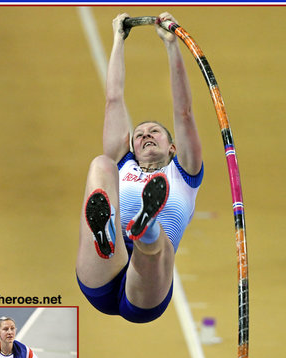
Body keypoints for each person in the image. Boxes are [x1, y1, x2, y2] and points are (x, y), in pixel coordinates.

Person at [76, 12, 203, 324]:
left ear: (173, 148)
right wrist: (119, 39)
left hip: (146, 292)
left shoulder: (184, 173)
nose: (146, 134)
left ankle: (146, 230)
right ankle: (107, 234)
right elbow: (114, 99)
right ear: (131, 146)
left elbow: (183, 112)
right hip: (104, 267)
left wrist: (172, 45)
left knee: (158, 250)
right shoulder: (123, 164)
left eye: (155, 132)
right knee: (101, 164)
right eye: (140, 133)